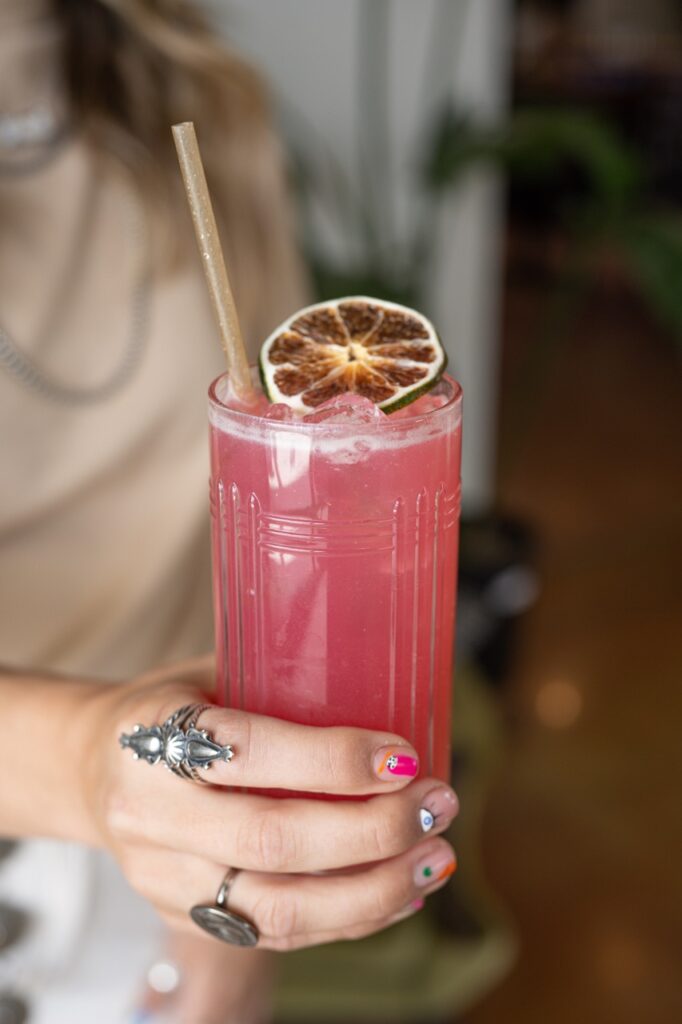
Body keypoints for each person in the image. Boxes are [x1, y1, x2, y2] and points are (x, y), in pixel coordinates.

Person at [0, 1, 459, 1022]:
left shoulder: (204, 103)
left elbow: (285, 510)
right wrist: (86, 765)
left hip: (191, 831)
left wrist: (239, 862)